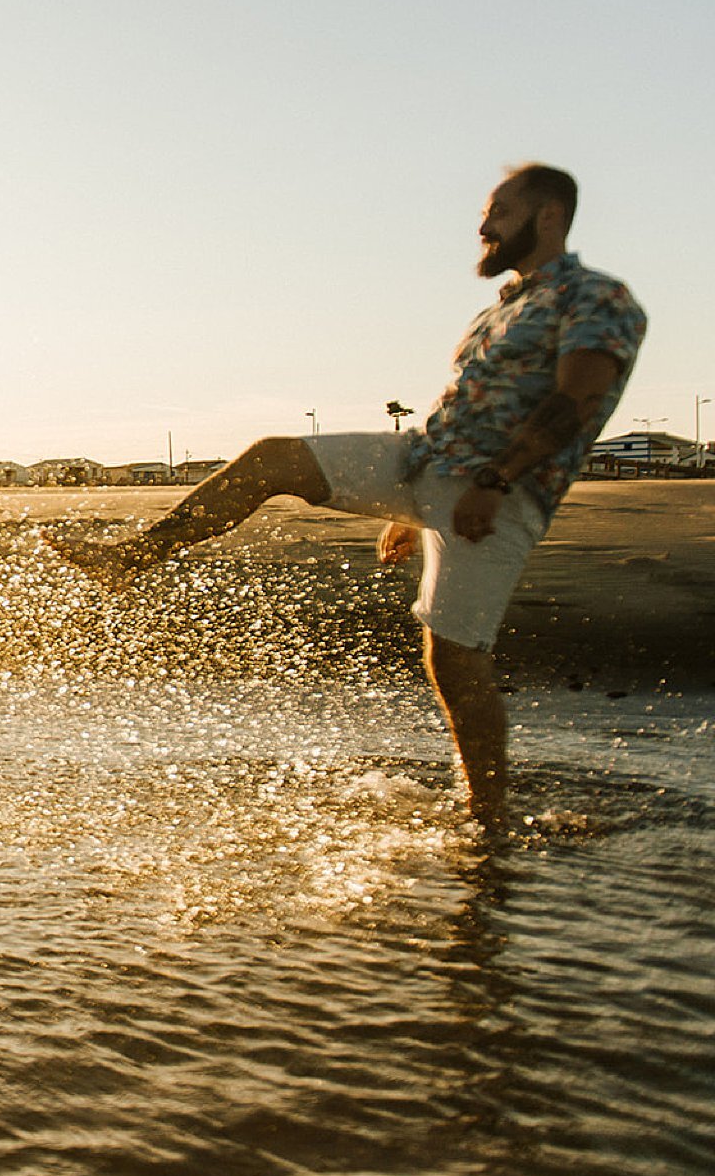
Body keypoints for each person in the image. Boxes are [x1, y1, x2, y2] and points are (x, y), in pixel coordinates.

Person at [50, 165, 645, 828]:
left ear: (549, 217)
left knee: (453, 651)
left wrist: (494, 480)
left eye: (500, 212)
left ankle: (489, 817)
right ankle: (134, 556)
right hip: (423, 461)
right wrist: (409, 507)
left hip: (499, 493)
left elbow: (577, 399)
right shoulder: (504, 305)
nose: (483, 226)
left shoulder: (596, 296)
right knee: (274, 456)